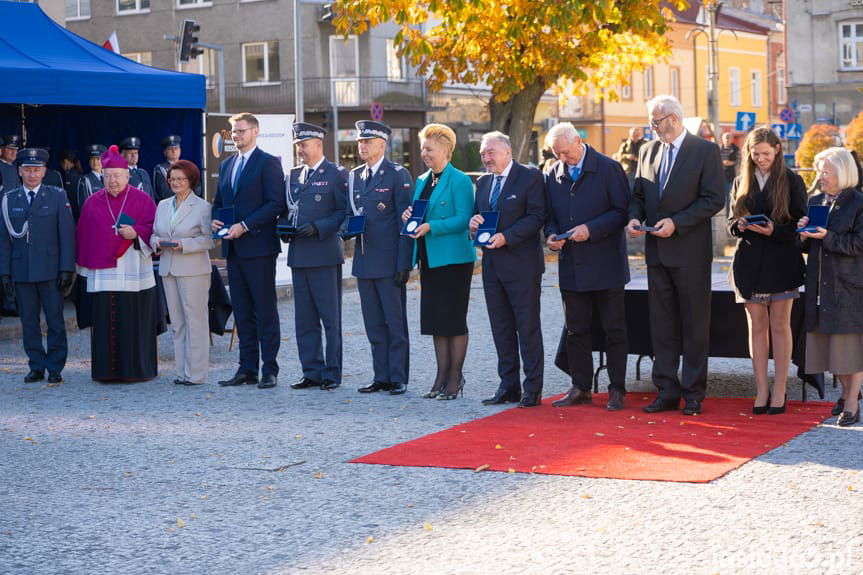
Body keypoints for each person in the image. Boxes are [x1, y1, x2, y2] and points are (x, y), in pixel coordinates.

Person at [626, 95, 725, 416]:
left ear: (674, 118)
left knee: (695, 326)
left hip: (690, 253)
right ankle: (666, 390)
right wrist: (634, 217)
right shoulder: (647, 150)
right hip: (656, 252)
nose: (653, 128)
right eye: (651, 122)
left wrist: (677, 223)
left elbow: (714, 200)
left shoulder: (704, 150)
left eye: (656, 122)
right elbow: (638, 194)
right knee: (662, 325)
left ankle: (693, 394)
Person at [544, 123, 631, 411]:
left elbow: (621, 212)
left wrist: (590, 230)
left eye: (566, 153)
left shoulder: (608, 168)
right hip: (572, 265)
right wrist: (552, 236)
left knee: (613, 329)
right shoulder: (552, 174)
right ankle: (580, 386)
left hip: (606, 262)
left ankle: (617, 388)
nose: (562, 159)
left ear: (578, 143)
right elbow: (549, 215)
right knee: (576, 330)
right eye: (556, 154)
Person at [727, 127, 807, 415]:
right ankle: (761, 390)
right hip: (748, 263)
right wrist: (741, 225)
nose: (761, 159)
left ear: (777, 151)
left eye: (766, 154)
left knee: (780, 326)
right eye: (755, 153)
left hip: (782, 261)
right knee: (757, 328)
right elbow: (729, 224)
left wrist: (775, 229)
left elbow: (801, 225)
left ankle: (781, 390)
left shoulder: (792, 180)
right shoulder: (740, 181)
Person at [470, 131, 546, 408]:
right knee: (501, 329)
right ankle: (508, 385)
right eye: (483, 154)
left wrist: (507, 237)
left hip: (522, 266)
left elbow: (538, 216)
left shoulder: (530, 177)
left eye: (490, 152)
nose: (486, 158)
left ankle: (533, 387)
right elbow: (480, 218)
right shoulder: (483, 182)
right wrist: (473, 226)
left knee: (527, 329)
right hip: (492, 268)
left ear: (507, 152)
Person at [401, 123, 476, 400]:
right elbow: (420, 215)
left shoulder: (459, 180)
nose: (424, 153)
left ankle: (455, 377)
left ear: (445, 150)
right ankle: (441, 375)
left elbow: (463, 219)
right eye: (423, 148)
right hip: (430, 259)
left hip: (454, 260)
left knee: (453, 320)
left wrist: (432, 226)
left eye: (429, 148)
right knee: (436, 320)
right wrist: (410, 217)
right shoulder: (422, 180)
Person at [212, 113, 286, 389]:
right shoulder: (228, 164)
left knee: (265, 310)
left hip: (259, 248)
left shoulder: (268, 163)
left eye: (241, 131)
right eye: (233, 132)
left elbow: (275, 204)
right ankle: (246, 368)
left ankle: (269, 369)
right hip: (233, 249)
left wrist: (245, 225)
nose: (236, 136)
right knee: (242, 311)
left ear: (255, 132)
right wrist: (215, 218)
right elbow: (219, 201)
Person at [75, 145, 160, 382]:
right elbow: (83, 238)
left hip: (134, 272)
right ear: (102, 176)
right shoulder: (92, 203)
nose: (112, 181)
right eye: (108, 176)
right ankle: (106, 372)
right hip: (103, 277)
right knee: (105, 324)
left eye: (117, 176)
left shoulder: (143, 200)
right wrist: (80, 273)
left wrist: (137, 233)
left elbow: (156, 230)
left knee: (135, 323)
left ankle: (138, 371)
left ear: (127, 176)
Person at [798, 147, 863, 427]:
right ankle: (848, 396)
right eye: (819, 170)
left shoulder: (859, 203)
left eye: (825, 171)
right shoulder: (816, 201)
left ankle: (851, 403)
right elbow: (808, 246)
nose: (820, 176)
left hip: (848, 287)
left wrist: (828, 237)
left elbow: (858, 244)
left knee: (849, 348)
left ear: (842, 172)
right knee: (834, 351)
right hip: (820, 287)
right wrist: (802, 233)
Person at [348, 120, 413, 396]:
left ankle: (398, 376)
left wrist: (404, 263)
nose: (362, 146)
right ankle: (381, 375)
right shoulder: (354, 175)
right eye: (360, 141)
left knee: (394, 323)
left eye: (367, 141)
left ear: (382, 145)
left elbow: (406, 223)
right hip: (364, 260)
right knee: (373, 323)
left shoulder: (398, 174)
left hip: (389, 263)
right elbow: (349, 214)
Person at [281, 122, 348, 392]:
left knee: (330, 319)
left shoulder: (336, 174)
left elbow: (343, 212)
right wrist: (284, 230)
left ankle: (331, 372)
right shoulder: (293, 175)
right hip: (299, 255)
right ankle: (311, 371)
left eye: (304, 145)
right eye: (297, 146)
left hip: (324, 254)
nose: (300, 150)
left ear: (318, 144)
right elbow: (288, 210)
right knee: (304, 319)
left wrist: (319, 227)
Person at [0, 148, 75, 384]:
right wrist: (4, 273)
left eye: (37, 170)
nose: (32, 174)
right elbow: (3, 240)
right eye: (28, 170)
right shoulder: (9, 199)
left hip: (51, 270)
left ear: (44, 172)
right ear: (20, 172)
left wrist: (66, 269)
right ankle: (36, 365)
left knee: (55, 321)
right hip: (21, 271)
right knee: (29, 322)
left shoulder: (57, 196)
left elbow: (67, 235)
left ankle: (55, 367)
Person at [151, 160, 213, 386]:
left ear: (191, 181)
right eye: (172, 179)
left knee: (195, 322)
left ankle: (196, 374)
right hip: (169, 268)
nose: (175, 183)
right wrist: (157, 242)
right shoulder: (163, 205)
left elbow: (208, 240)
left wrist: (182, 244)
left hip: (193, 269)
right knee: (177, 323)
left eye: (180, 179)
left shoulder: (202, 207)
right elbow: (153, 234)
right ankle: (181, 372)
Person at [75, 145, 106, 222]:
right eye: (92, 159)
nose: (95, 162)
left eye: (98, 159)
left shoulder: (109, 178)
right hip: (95, 222)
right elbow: (84, 207)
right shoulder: (85, 180)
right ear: (89, 161)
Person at [119, 137, 155, 201]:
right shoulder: (119, 174)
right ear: (122, 155)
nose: (134, 156)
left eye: (136, 153)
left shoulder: (144, 173)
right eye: (130, 153)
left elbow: (151, 196)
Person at [153, 135, 182, 202]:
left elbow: (197, 189)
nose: (174, 151)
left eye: (176, 148)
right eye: (170, 149)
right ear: (165, 152)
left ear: (180, 150)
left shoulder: (187, 166)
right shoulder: (160, 169)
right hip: (169, 207)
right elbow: (164, 193)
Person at [720, 132, 740, 215]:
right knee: (720, 196)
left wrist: (731, 163)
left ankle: (729, 214)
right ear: (722, 139)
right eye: (725, 138)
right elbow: (713, 160)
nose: (727, 139)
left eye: (728, 138)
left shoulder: (736, 149)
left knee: (730, 197)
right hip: (719, 176)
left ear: (732, 139)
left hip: (731, 176)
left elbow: (739, 161)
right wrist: (722, 162)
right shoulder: (718, 148)